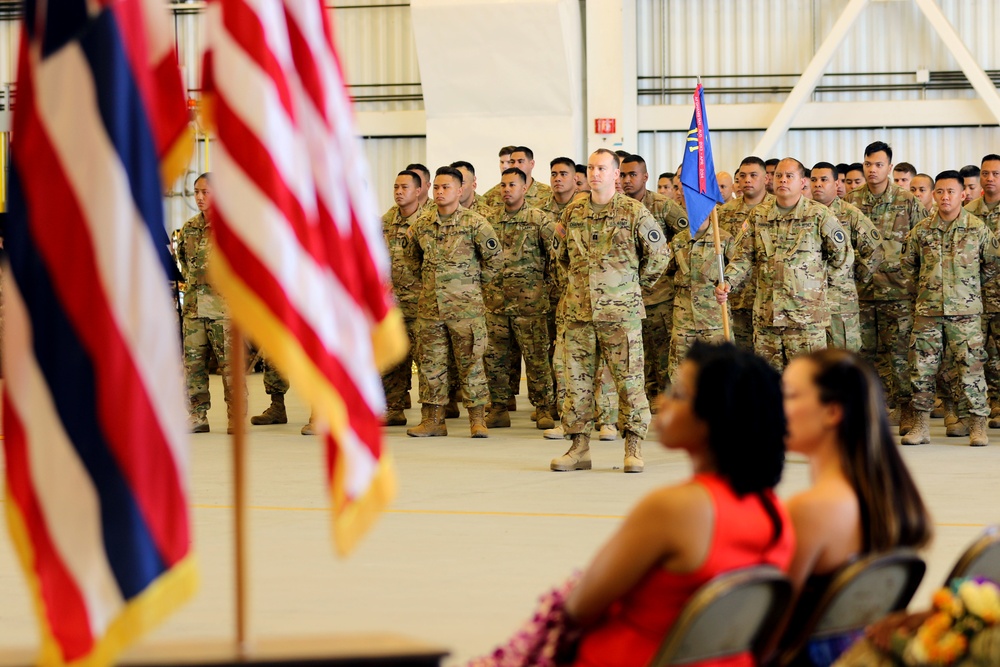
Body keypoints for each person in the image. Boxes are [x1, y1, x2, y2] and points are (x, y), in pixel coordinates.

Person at [564, 342, 794, 667]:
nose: (662, 401)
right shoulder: (772, 509)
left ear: (714, 415)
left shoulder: (675, 509)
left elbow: (580, 606)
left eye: (678, 394)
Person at [779, 349, 933, 666]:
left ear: (832, 412)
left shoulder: (811, 509)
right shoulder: (889, 492)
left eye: (789, 395)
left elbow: (771, 627)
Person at [550, 149, 670, 473]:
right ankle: (578, 448)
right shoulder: (572, 213)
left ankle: (633, 447)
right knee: (576, 383)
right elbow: (559, 256)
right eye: (590, 167)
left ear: (616, 174)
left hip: (621, 315)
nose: (595, 173)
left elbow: (660, 255)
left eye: (602, 168)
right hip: (578, 313)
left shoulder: (634, 212)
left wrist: (632, 287)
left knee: (629, 381)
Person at [717, 158, 848, 370]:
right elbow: (743, 257)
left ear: (803, 182)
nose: (783, 180)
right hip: (767, 319)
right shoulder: (759, 215)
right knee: (769, 386)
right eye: (779, 176)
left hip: (806, 322)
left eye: (789, 176)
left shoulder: (819, 215)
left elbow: (842, 257)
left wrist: (818, 290)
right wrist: (728, 282)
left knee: (809, 383)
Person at [899, 170, 1000, 447]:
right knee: (922, 369)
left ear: (963, 194)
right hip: (928, 313)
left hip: (966, 314)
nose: (945, 197)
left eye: (951, 192)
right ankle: (921, 426)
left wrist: (967, 290)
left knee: (971, 367)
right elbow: (908, 266)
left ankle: (978, 425)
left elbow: (991, 265)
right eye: (940, 191)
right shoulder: (921, 231)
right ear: (934, 194)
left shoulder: (977, 228)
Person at [406, 166, 503, 438]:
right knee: (431, 366)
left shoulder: (475, 223)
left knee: (471, 364)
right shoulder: (423, 224)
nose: (440, 192)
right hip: (430, 310)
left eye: (446, 187)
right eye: (436, 187)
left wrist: (472, 286)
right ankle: (433, 420)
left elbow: (495, 261)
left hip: (466, 311)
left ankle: (477, 419)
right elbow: (411, 258)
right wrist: (427, 285)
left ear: (461, 190)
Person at [844, 141, 927, 434]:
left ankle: (906, 409)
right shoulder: (851, 203)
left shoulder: (908, 201)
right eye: (868, 164)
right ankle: (873, 409)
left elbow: (923, 245)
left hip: (899, 293)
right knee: (865, 356)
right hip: (861, 294)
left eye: (879, 165)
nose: (872, 170)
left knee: (900, 356)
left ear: (890, 168)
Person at [482, 168, 557, 430]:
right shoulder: (488, 220)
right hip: (495, 304)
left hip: (531, 305)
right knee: (495, 359)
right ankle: (500, 408)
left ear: (525, 188)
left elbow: (558, 257)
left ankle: (545, 408)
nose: (506, 189)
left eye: (512, 184)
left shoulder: (540, 220)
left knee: (537, 359)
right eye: (503, 185)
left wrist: (547, 287)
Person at [177, 172, 246, 433]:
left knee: (230, 367)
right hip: (194, 310)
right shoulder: (189, 229)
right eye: (196, 192)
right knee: (193, 366)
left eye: (206, 192)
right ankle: (197, 415)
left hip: (222, 311)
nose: (199, 197)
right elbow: (185, 266)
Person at [809, 162, 887, 352]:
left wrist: (855, 277)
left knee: (843, 362)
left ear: (836, 184)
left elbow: (876, 250)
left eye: (824, 180)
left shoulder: (850, 214)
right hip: (808, 303)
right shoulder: (804, 214)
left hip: (840, 304)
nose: (818, 184)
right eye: (814, 180)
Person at [378, 169, 426, 426]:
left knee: (427, 360)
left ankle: (433, 413)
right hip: (392, 303)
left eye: (404, 187)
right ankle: (393, 408)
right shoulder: (385, 221)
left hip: (421, 303)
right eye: (396, 187)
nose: (398, 192)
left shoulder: (427, 222)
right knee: (393, 360)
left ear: (418, 191)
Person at [716, 156, 776, 351]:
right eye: (743, 176)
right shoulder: (725, 213)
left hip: (771, 299)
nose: (747, 180)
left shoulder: (777, 209)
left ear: (766, 178)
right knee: (742, 356)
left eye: (753, 175)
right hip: (737, 298)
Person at [966, 155, 1000, 428]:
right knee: (974, 355)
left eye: (996, 174)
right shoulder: (969, 212)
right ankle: (976, 409)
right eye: (986, 173)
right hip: (972, 297)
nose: (990, 179)